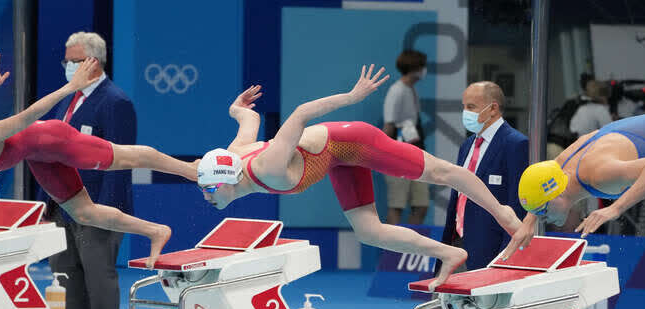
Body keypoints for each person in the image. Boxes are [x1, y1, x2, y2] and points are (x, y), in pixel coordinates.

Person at [198, 65, 522, 288]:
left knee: (441, 172)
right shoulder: (234, 153)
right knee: (368, 231)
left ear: (227, 179)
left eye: (210, 188)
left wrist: (351, 98)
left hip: (352, 141)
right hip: (336, 161)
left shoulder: (268, 167)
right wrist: (236, 108)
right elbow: (247, 119)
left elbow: (300, 114)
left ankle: (501, 211)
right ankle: (450, 253)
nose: (206, 196)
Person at [0, 53, 198, 267]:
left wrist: (71, 87)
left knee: (123, 158)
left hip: (52, 140)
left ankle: (189, 170)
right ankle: (156, 231)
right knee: (83, 213)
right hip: (37, 156)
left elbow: (27, 117)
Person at [505, 108, 645, 266]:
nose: (544, 220)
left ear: (556, 197)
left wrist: (615, 208)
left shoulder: (599, 174)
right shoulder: (559, 167)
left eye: (542, 213)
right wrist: (528, 222)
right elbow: (540, 189)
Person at [36, 32, 136, 309]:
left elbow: (121, 163)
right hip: (61, 208)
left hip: (96, 210)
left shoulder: (116, 102)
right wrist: (45, 206)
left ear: (94, 62)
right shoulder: (65, 101)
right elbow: (47, 157)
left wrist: (104, 213)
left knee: (98, 277)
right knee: (65, 275)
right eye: (66, 61)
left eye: (74, 60)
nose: (68, 66)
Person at [430, 81, 528, 309]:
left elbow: (516, 206)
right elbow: (458, 198)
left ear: (493, 108)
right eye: (464, 107)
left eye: (471, 107)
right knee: (441, 307)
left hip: (490, 247)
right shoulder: (467, 146)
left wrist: (504, 257)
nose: (466, 113)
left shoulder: (516, 145)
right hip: (457, 242)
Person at [382, 50, 429, 225]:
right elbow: (388, 126)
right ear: (415, 68)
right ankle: (391, 250)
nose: (425, 70)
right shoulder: (396, 91)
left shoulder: (412, 90)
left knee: (421, 205)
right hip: (397, 156)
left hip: (416, 154)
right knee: (396, 206)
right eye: (423, 66)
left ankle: (411, 247)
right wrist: (380, 157)